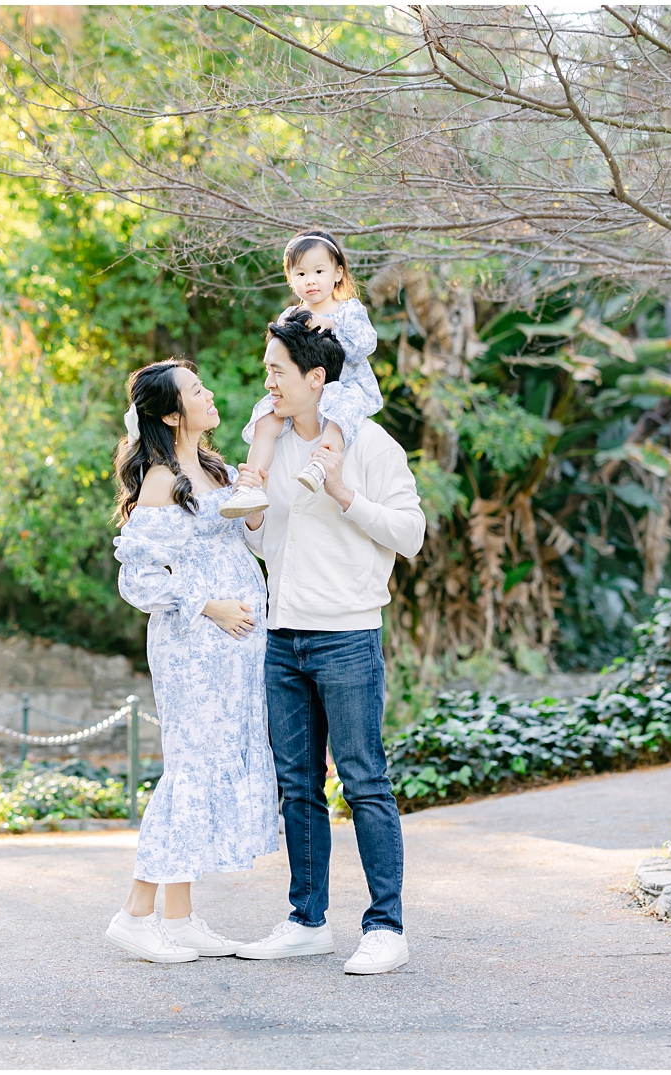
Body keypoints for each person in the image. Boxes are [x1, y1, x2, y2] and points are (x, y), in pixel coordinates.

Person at [229, 311, 426, 975]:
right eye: (266, 371)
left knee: (364, 781)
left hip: (346, 636)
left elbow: (410, 534)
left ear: (316, 377)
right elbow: (269, 542)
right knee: (298, 786)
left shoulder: (371, 445)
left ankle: (386, 927)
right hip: (283, 637)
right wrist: (252, 514)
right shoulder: (271, 444)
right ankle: (306, 920)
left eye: (277, 372)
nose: (268, 383)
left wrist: (342, 491)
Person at [104, 359, 280, 964]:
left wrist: (254, 494)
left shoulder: (215, 469)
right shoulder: (161, 481)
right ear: (173, 415)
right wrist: (209, 605)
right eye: (196, 391)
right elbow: (138, 579)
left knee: (206, 768)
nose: (209, 396)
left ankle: (178, 919)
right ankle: (134, 914)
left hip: (236, 650)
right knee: (189, 771)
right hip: (194, 648)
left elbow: (250, 535)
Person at [220, 230, 381, 518]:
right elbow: (279, 356)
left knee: (338, 415)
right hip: (301, 392)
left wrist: (332, 325)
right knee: (265, 419)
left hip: (346, 387)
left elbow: (365, 344)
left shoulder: (348, 311)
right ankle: (251, 484)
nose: (310, 280)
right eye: (301, 273)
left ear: (338, 273)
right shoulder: (290, 315)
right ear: (290, 278)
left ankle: (321, 463)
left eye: (319, 271)